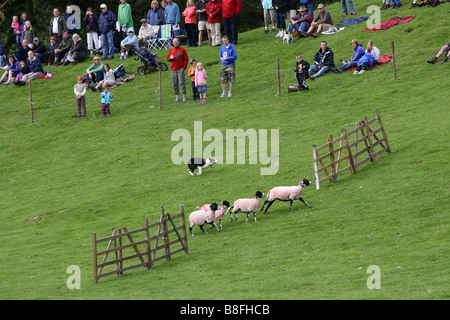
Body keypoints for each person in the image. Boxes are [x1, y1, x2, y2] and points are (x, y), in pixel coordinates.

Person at [167, 37, 189, 103]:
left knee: (181, 82)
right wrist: (170, 58)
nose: (175, 43)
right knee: (174, 83)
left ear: (178, 42)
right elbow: (168, 58)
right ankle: (177, 97)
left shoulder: (183, 50)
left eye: (176, 42)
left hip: (180, 69)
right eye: (174, 42)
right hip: (173, 69)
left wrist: (184, 67)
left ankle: (184, 96)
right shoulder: (171, 50)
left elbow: (186, 59)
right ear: (172, 43)